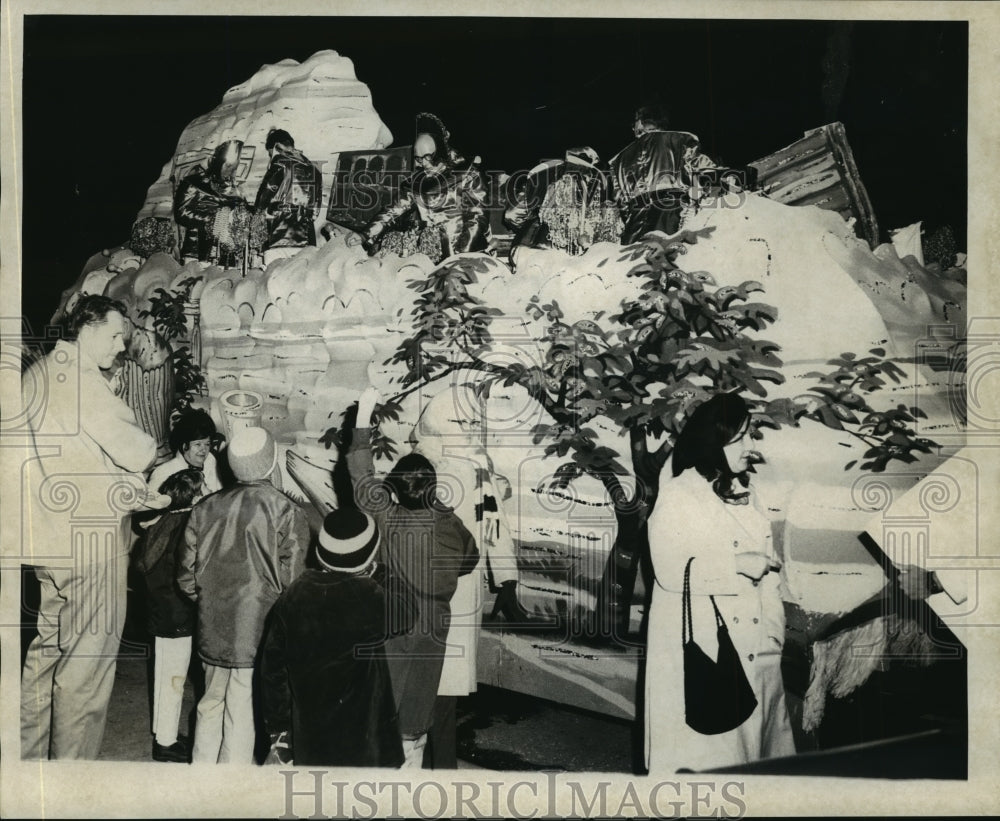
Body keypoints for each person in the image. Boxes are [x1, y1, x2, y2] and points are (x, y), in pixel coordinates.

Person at [21, 294, 165, 760]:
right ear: (87, 328)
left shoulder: (38, 373)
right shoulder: (82, 381)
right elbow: (138, 449)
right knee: (87, 668)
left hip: (46, 542)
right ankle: (70, 785)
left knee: (48, 657)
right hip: (91, 546)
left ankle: (25, 763)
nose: (122, 345)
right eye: (116, 334)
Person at [644, 392, 795, 773]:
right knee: (710, 767)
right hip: (709, 653)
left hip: (757, 653)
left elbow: (771, 573)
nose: (751, 445)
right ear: (715, 439)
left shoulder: (745, 490)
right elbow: (669, 568)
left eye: (752, 434)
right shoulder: (680, 494)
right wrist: (737, 565)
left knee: (757, 760)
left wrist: (774, 634)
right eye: (741, 436)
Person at [344, 387, 480, 767]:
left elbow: (360, 472)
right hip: (435, 626)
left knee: (384, 710)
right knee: (415, 722)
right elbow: (471, 560)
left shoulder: (391, 519)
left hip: (396, 619)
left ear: (397, 491)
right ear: (432, 488)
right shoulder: (449, 523)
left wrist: (362, 418)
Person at [178, 426, 309, 764]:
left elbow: (185, 577)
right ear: (270, 462)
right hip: (258, 630)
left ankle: (201, 776)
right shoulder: (286, 510)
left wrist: (210, 601)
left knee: (209, 702)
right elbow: (292, 583)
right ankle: (231, 790)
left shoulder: (204, 507)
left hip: (211, 625)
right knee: (242, 707)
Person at [259, 507, 404, 767]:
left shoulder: (294, 594)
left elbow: (273, 672)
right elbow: (407, 612)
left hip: (310, 736)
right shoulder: (370, 595)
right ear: (368, 557)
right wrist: (383, 573)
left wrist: (279, 732)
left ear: (320, 552)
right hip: (364, 737)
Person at [132, 468, 204, 763]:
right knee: (174, 679)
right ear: (194, 495)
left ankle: (163, 732)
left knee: (164, 676)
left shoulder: (162, 523)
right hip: (178, 617)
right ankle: (166, 743)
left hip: (160, 614)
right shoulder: (187, 527)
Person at [363, 112, 488, 265]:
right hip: (426, 251)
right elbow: (392, 211)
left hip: (461, 252)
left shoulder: (468, 173)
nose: (423, 164)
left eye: (428, 156)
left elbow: (476, 218)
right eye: (418, 158)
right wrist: (365, 234)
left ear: (441, 150)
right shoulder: (417, 180)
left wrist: (459, 258)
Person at [608, 104, 717, 244]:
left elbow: (621, 202)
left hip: (635, 224)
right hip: (673, 216)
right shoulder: (681, 141)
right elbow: (708, 175)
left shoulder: (619, 159)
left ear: (641, 122)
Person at [504, 146, 622, 260]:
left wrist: (535, 221)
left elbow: (511, 215)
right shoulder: (598, 179)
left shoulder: (541, 175)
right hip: (580, 251)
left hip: (540, 250)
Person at [173, 139, 254, 266]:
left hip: (226, 256)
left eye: (234, 168)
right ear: (218, 163)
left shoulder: (235, 191)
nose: (230, 172)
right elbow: (181, 213)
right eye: (228, 166)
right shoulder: (194, 183)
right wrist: (215, 219)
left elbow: (245, 215)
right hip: (197, 252)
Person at [253, 128, 324, 266]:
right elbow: (316, 211)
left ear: (275, 147)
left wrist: (259, 214)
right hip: (306, 237)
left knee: (274, 280)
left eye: (269, 152)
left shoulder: (280, 164)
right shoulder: (315, 170)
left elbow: (263, 199)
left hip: (279, 234)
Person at [148, 408, 224, 497]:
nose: (204, 450)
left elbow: (219, 494)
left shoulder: (210, 460)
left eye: (207, 444)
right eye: (198, 444)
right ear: (185, 446)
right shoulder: (162, 473)